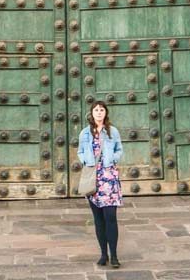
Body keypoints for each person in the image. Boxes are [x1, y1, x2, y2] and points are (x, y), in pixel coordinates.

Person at [77, 100, 124, 268]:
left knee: (110, 217)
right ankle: (103, 254)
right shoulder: (85, 133)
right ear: (92, 113)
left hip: (109, 179)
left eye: (101, 110)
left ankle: (115, 255)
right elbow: (80, 151)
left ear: (105, 113)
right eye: (96, 110)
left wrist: (113, 160)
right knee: (98, 219)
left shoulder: (113, 131)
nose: (99, 112)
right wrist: (87, 162)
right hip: (93, 180)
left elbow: (120, 149)